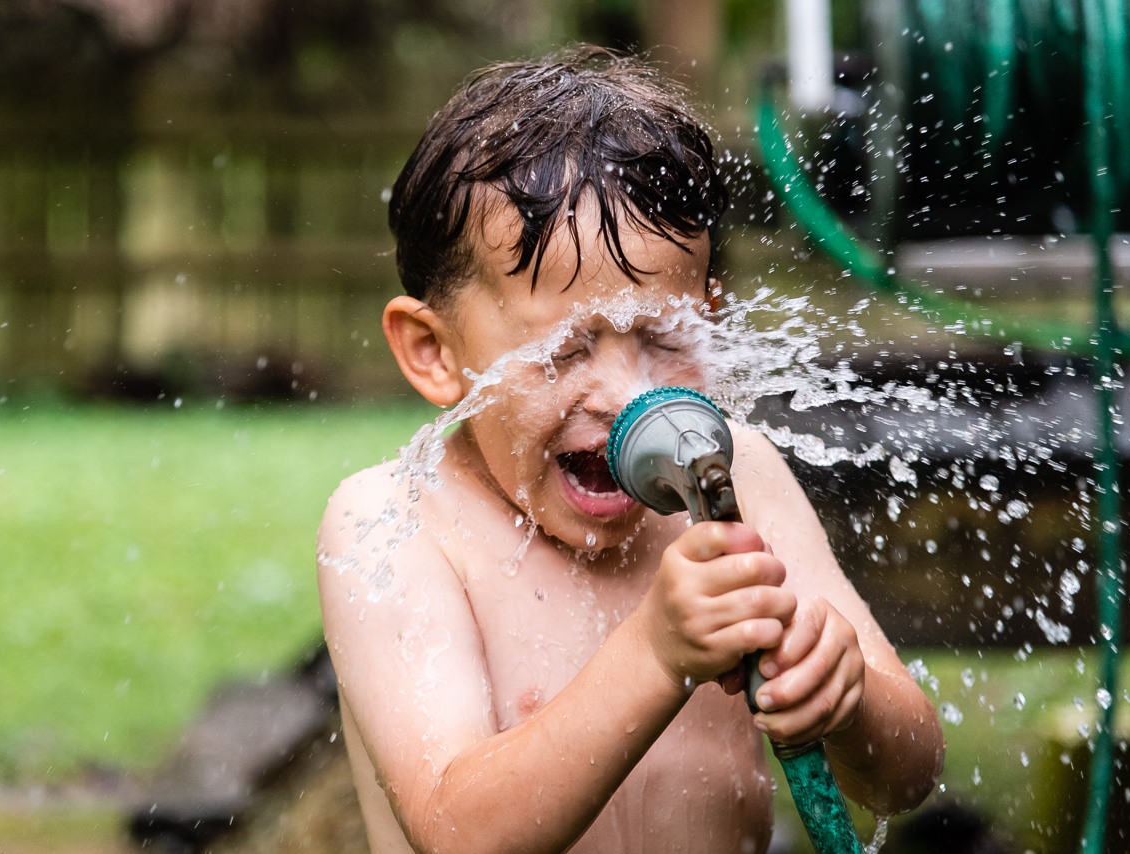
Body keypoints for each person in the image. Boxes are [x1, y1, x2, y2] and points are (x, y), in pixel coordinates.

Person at [317, 46, 943, 854]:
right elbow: (458, 834)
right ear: (435, 352)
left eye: (663, 336)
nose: (626, 397)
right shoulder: (398, 526)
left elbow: (908, 777)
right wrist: (655, 652)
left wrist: (848, 699)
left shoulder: (738, 475)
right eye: (565, 352)